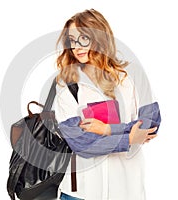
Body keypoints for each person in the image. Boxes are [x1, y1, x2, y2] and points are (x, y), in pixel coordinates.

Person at [53, 9, 161, 200]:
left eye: (83, 38)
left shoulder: (132, 75)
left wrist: (107, 130)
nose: (77, 46)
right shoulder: (67, 85)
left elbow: (150, 125)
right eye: (72, 40)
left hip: (127, 191)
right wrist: (129, 137)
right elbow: (81, 143)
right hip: (80, 193)